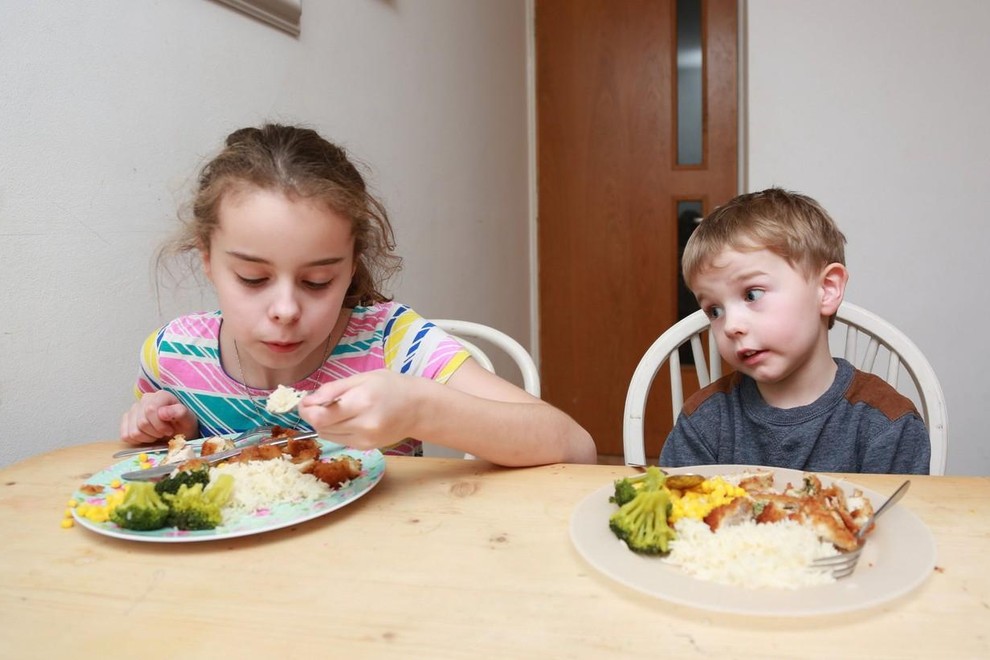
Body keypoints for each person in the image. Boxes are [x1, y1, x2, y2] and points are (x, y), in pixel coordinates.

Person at [120, 123, 596, 467]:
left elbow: (574, 446)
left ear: (351, 267)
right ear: (206, 256)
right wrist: (164, 432)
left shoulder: (393, 344)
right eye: (252, 278)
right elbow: (143, 469)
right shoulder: (172, 355)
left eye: (317, 282)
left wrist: (422, 408)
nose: (285, 310)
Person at [658, 188, 931, 474]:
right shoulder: (704, 421)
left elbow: (900, 517)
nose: (731, 326)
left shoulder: (887, 425)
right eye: (714, 310)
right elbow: (675, 510)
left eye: (752, 295)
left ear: (826, 290)